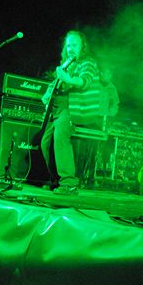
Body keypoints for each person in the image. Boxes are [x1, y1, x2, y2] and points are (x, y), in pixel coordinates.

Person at [40, 30, 99, 195]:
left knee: (60, 138)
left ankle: (69, 183)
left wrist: (68, 79)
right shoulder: (66, 64)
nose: (70, 48)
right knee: (44, 142)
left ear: (82, 47)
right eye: (68, 45)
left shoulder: (87, 63)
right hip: (55, 109)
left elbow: (84, 81)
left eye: (74, 45)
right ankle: (55, 180)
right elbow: (55, 84)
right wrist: (47, 94)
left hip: (71, 107)